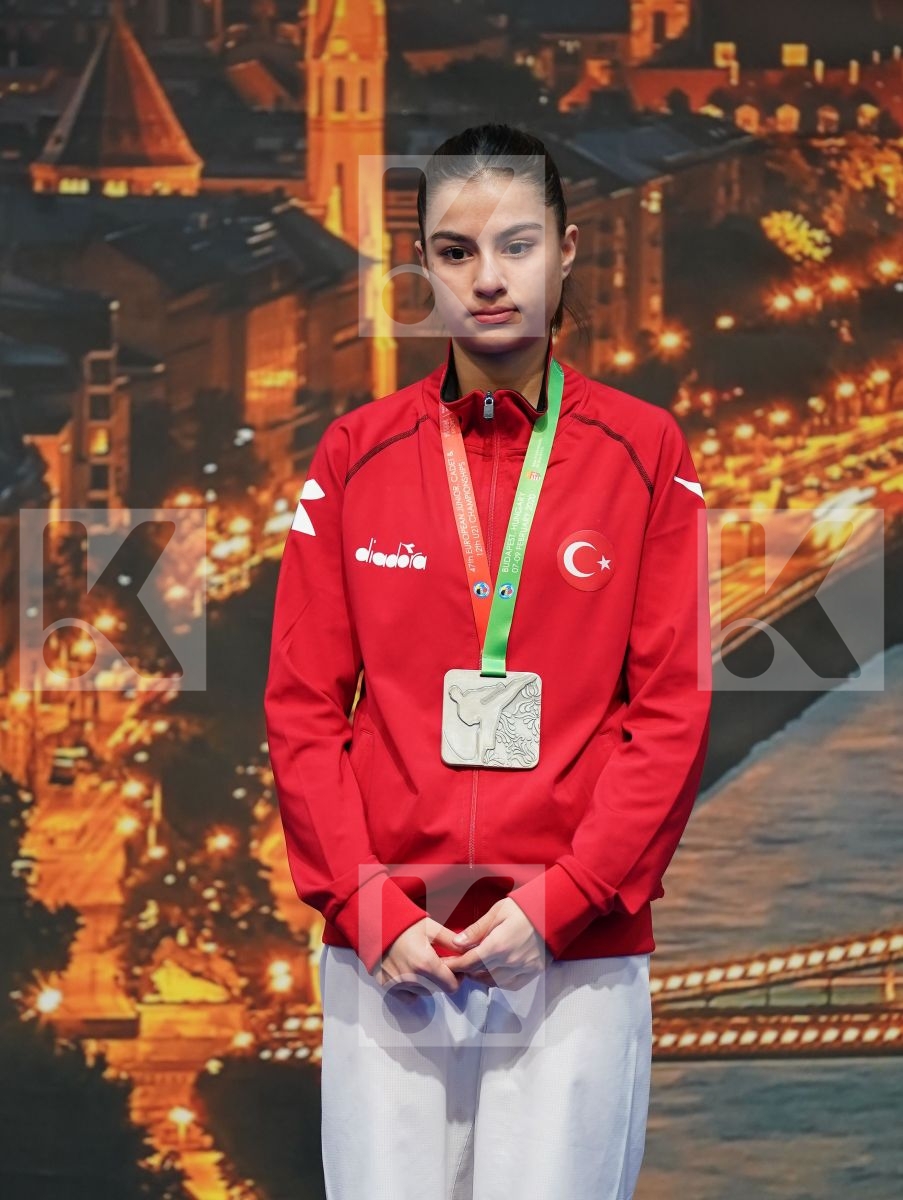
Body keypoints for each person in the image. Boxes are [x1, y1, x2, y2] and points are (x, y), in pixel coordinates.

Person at [264, 122, 712, 1200]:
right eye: (457, 252)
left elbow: (671, 713)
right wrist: (370, 911)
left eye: (517, 245)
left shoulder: (647, 454)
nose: (490, 278)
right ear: (424, 269)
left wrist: (563, 904)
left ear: (565, 253)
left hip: (575, 957)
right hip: (390, 954)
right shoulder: (352, 457)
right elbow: (301, 710)